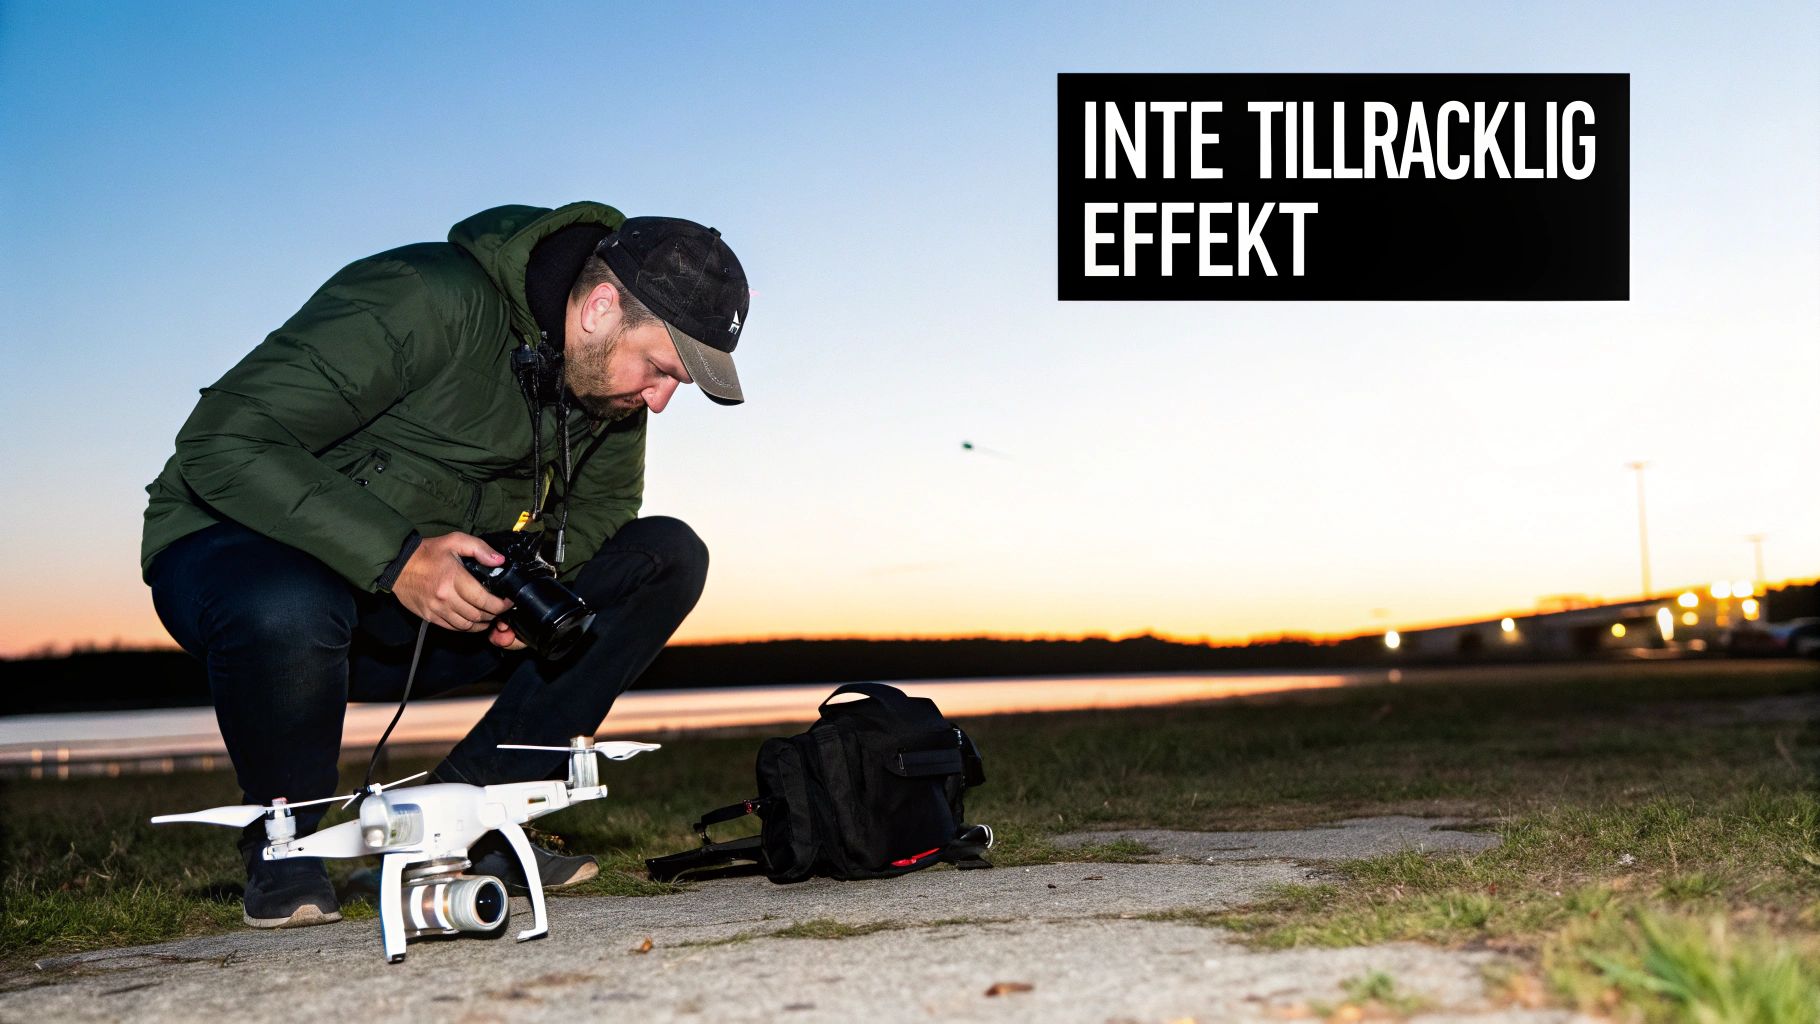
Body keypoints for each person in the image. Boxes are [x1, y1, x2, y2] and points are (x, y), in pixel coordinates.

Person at [139, 203, 750, 928]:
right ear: (599, 309)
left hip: (431, 608)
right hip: (245, 560)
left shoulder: (607, 392)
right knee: (290, 598)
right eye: (658, 369)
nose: (660, 399)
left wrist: (534, 595)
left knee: (666, 556)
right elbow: (222, 443)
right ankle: (286, 841)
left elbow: (605, 511)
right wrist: (398, 559)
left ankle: (478, 813)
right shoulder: (423, 298)